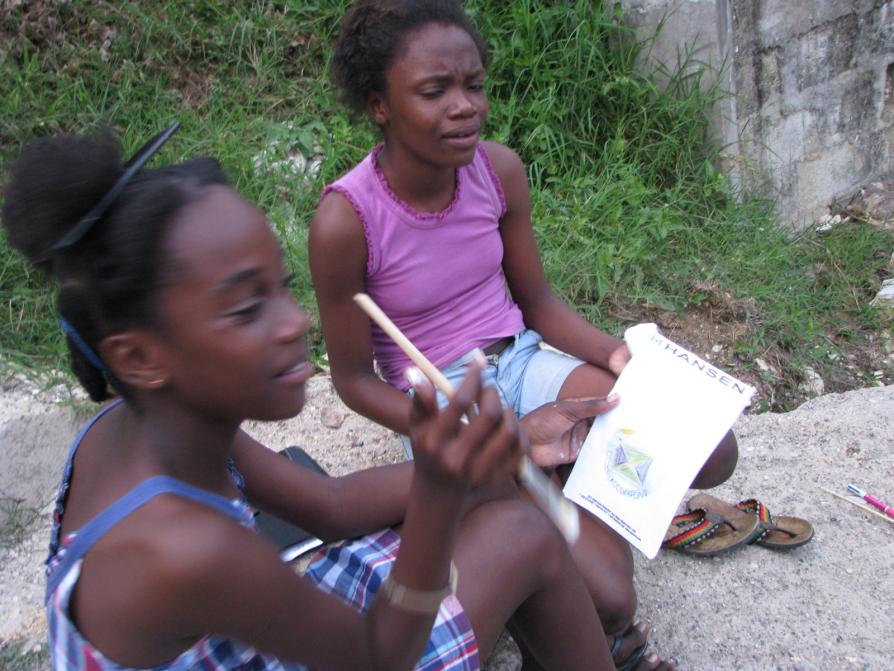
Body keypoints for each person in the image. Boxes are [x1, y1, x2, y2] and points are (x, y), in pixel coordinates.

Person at [1, 126, 676, 671]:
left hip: (272, 630)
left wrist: (489, 454)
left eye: (282, 285)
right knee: (524, 535)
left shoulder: (151, 422)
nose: (294, 321)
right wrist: (437, 495)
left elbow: (329, 504)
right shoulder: (186, 549)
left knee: (495, 489)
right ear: (140, 357)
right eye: (246, 308)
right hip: (366, 654)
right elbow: (380, 656)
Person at [309, 0, 737, 667]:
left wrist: (615, 356)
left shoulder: (497, 170)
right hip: (450, 401)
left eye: (473, 84)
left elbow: (536, 301)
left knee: (709, 448)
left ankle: (554, 473)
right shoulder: (347, 221)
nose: (465, 106)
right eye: (434, 91)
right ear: (379, 104)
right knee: (609, 597)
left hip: (523, 362)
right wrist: (452, 428)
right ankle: (540, 504)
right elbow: (355, 381)